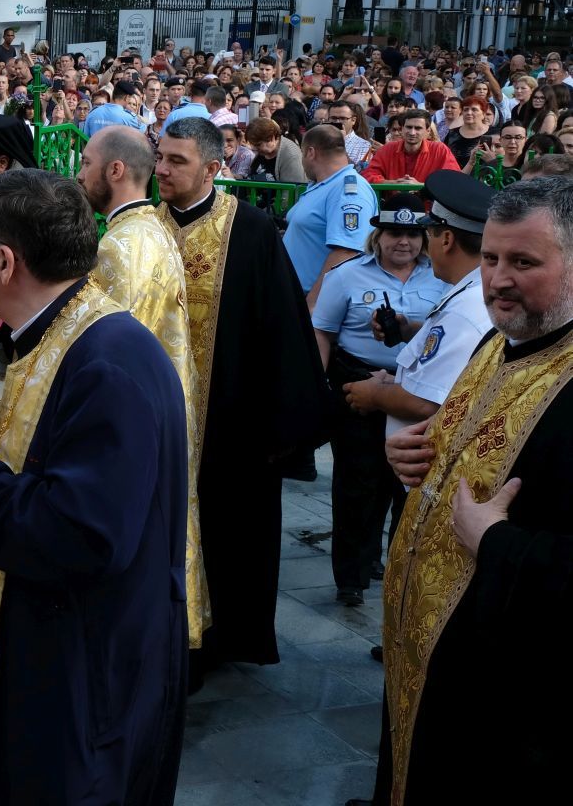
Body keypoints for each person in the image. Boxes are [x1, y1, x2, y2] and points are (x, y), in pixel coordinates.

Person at [0, 169, 188, 806]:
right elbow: (42, 461)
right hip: (63, 646)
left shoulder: (105, 360)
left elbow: (79, 532)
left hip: (83, 670)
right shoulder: (66, 329)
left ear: (6, 262)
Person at [379, 176, 573, 806]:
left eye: (524, 262)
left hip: (507, 696)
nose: (497, 279)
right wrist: (414, 454)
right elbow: (459, 442)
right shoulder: (497, 343)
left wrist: (497, 542)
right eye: (490, 258)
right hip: (431, 660)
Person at [155, 117, 328, 671]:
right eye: (160, 157)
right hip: (158, 419)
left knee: (230, 535)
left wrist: (280, 431)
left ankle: (221, 641)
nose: (161, 170)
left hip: (231, 423)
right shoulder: (143, 229)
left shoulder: (249, 230)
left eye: (176, 162)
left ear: (212, 168)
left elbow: (282, 329)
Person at [77, 126, 208, 649]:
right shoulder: (153, 229)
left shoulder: (118, 248)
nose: (79, 173)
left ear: (114, 170)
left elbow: (108, 349)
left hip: (136, 420)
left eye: (86, 162)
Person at [311, 194, 447, 608]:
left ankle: (382, 560)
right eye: (393, 233)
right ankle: (350, 575)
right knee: (357, 480)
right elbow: (323, 332)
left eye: (411, 233)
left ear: (424, 237)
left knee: (401, 484)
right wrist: (320, 388)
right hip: (358, 383)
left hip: (417, 389)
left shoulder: (442, 278)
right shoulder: (346, 275)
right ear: (378, 235)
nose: (402, 242)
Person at [283, 125, 371, 301]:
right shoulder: (322, 185)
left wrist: (313, 303)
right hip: (294, 292)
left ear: (310, 152)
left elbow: (346, 251)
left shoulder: (347, 190)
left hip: (315, 297)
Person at [363, 109, 460, 183]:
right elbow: (368, 175)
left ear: (428, 131)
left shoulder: (440, 150)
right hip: (393, 205)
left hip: (428, 206)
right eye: (409, 127)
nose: (412, 132)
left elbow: (453, 180)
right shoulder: (387, 149)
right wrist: (393, 183)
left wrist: (420, 186)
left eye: (418, 128)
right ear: (402, 129)